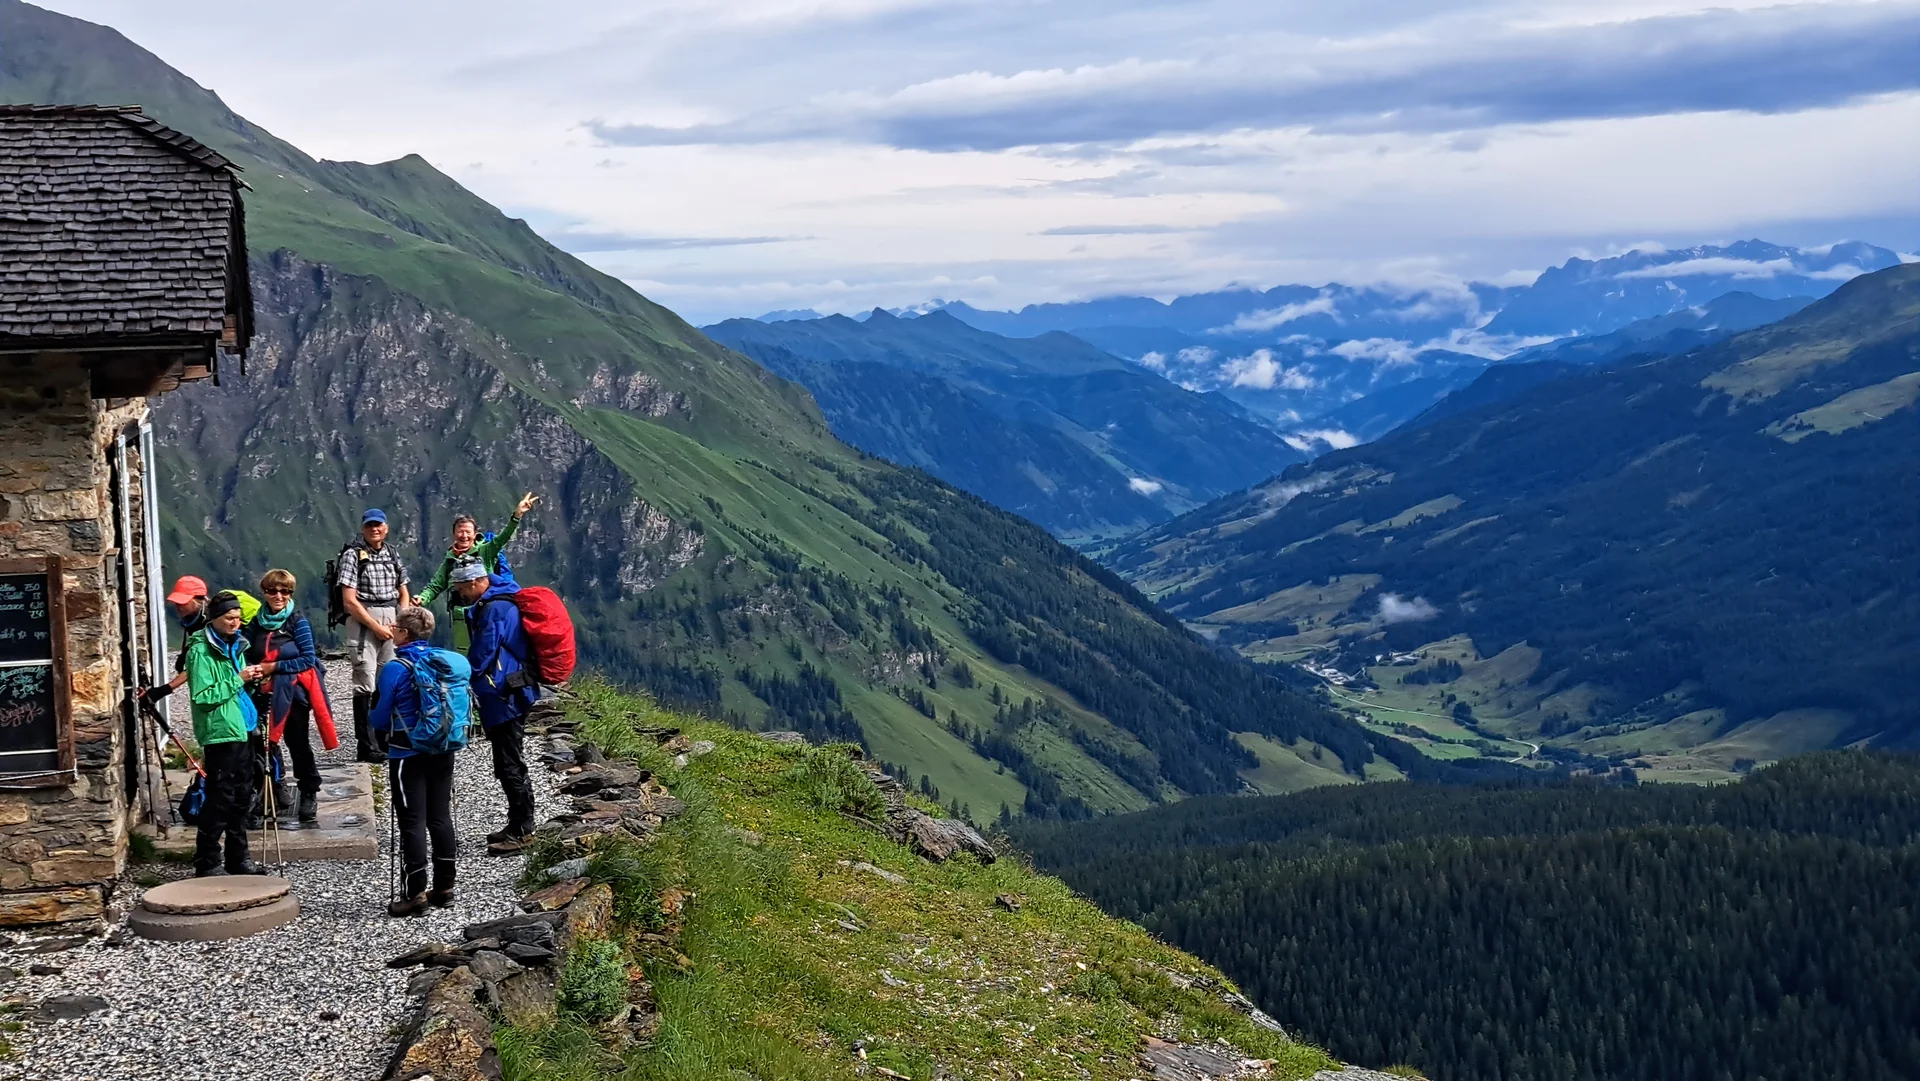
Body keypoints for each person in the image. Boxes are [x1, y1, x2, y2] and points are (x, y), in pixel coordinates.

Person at [368, 607, 464, 916]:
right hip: (442, 748)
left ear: (404, 634)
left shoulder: (396, 667)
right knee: (440, 817)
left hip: (406, 752)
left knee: (412, 822)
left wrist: (371, 720)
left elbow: (381, 717)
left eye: (396, 627)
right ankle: (445, 887)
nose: (392, 631)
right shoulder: (440, 661)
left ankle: (415, 893)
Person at [448, 565, 539, 852]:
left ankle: (523, 829)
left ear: (476, 582)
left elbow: (482, 653)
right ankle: (517, 823)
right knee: (509, 759)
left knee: (509, 761)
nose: (460, 594)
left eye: (462, 588)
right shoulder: (502, 599)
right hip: (512, 688)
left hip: (504, 693)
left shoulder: (494, 610)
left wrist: (460, 674)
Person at [182, 592, 268, 877]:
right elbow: (203, 696)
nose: (236, 623)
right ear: (215, 618)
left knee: (243, 795)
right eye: (230, 618)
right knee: (221, 797)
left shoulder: (235, 646)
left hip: (243, 726)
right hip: (220, 732)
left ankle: (238, 858)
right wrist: (238, 679)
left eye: (238, 618)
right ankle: (207, 861)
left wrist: (252, 682)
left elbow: (235, 689)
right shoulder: (200, 651)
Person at [243, 569, 327, 823]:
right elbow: (245, 650)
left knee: (297, 743)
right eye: (273, 590)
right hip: (261, 692)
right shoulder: (256, 622)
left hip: (292, 693)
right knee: (262, 745)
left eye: (285, 591)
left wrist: (273, 668)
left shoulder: (297, 622)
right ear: (264, 592)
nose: (279, 596)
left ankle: (309, 791)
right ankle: (268, 792)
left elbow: (307, 659)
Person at [415, 492, 538, 649]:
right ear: (454, 534)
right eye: (460, 531)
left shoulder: (486, 551)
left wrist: (517, 515)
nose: (464, 535)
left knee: (485, 648)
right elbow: (436, 584)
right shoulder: (450, 559)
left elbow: (503, 538)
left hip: (484, 609)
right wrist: (422, 599)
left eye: (468, 532)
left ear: (475, 534)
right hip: (459, 613)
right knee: (464, 650)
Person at [338, 508, 412, 764]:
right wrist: (374, 625)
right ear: (363, 529)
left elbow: (404, 590)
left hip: (391, 617)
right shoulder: (352, 555)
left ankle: (383, 739)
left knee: (387, 679)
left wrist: (400, 618)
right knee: (364, 680)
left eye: (378, 525)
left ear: (386, 527)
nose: (374, 529)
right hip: (363, 619)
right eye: (369, 525)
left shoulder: (392, 553)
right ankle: (366, 745)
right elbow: (349, 600)